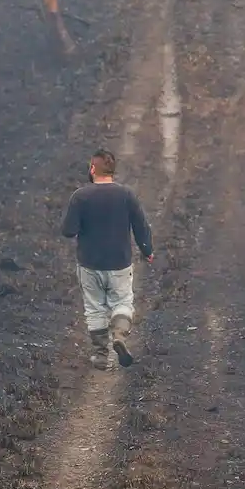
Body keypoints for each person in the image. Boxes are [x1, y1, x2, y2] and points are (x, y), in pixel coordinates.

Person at [62, 149, 154, 370]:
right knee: (122, 302)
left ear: (92, 169)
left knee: (94, 308)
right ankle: (120, 336)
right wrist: (147, 250)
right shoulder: (126, 195)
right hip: (119, 262)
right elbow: (141, 226)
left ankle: (101, 355)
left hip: (90, 263)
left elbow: (68, 230)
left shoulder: (80, 196)